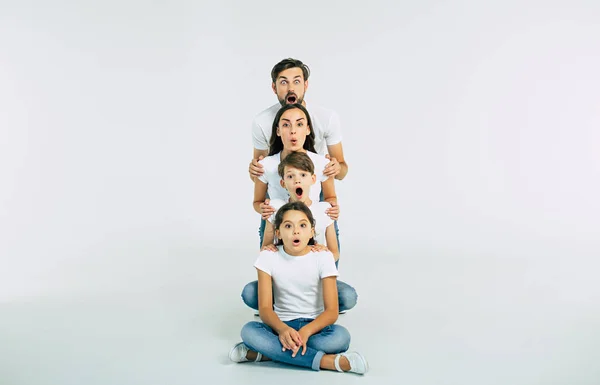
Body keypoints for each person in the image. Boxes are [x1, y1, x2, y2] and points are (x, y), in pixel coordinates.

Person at [229, 202, 368, 375]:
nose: (296, 231)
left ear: (311, 231)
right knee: (248, 331)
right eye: (288, 226)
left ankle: (265, 353)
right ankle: (327, 362)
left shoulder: (323, 256)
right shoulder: (268, 256)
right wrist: (283, 330)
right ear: (278, 232)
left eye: (302, 225)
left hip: (314, 327)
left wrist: (305, 332)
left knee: (341, 338)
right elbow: (264, 308)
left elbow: (332, 311)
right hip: (281, 324)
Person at [242, 151, 358, 313]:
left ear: (312, 179)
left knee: (348, 297)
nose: (297, 179)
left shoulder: (325, 210)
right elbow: (265, 247)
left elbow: (334, 252)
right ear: (283, 183)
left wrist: (322, 252)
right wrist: (271, 250)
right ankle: (286, 306)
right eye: (290, 176)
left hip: (313, 282)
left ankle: (312, 307)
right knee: (249, 293)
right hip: (283, 282)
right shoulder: (274, 207)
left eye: (303, 175)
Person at [248, 58, 348, 182]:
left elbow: (342, 172)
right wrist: (254, 170)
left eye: (296, 81)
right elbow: (259, 175)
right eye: (284, 82)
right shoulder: (261, 122)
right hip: (277, 186)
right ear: (274, 87)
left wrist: (336, 168)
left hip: (315, 185)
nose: (291, 88)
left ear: (305, 85)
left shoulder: (327, 118)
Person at [253, 103, 338, 247]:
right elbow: (257, 202)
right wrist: (263, 208)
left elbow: (330, 198)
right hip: (279, 236)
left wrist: (333, 207)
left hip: (312, 238)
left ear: (307, 129)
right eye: (286, 125)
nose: (293, 131)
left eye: (299, 124)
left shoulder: (323, 163)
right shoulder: (265, 166)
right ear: (278, 131)